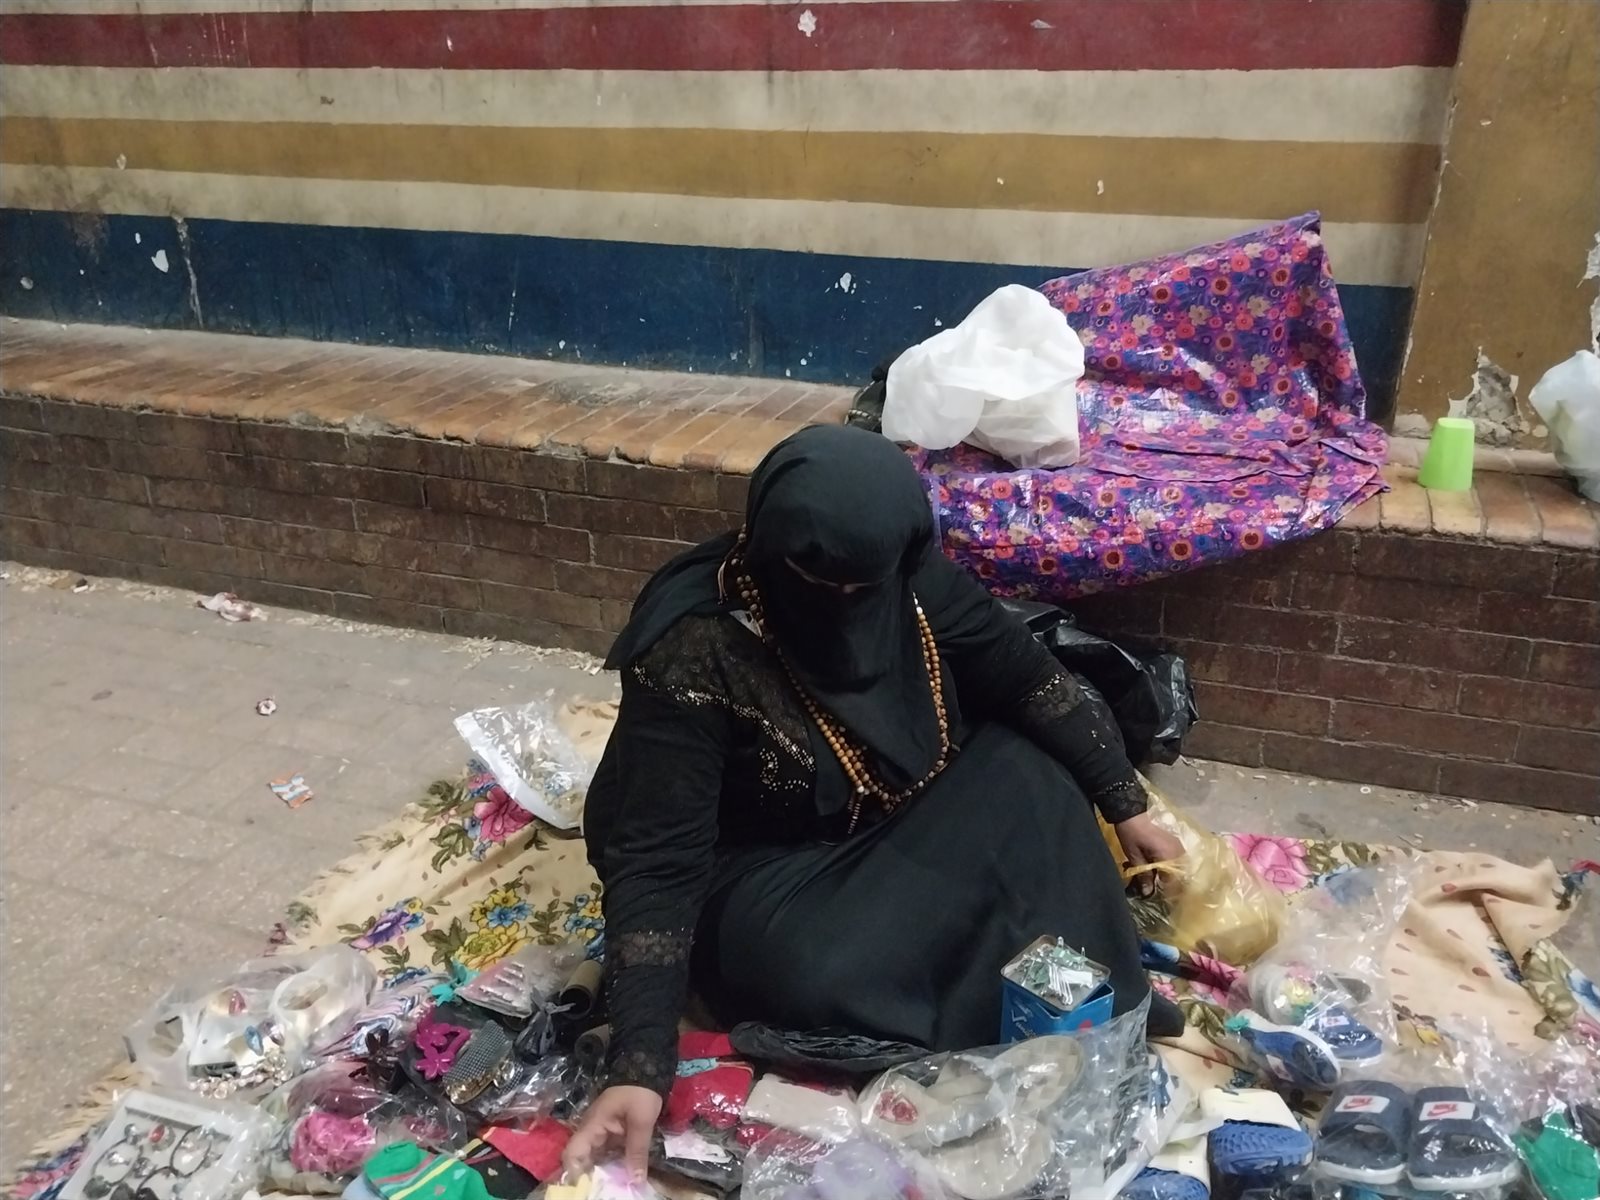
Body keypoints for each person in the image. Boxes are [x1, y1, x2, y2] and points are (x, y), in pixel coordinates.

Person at [565, 425, 1186, 1176]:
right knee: (807, 971)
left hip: (903, 799)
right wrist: (639, 1063)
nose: (844, 606)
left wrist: (1124, 802)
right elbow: (660, 861)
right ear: (767, 548)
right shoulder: (696, 649)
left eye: (863, 590)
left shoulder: (910, 579)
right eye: (816, 582)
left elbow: (1025, 677)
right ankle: (966, 1005)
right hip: (767, 864)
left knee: (1039, 783)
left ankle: (1072, 999)